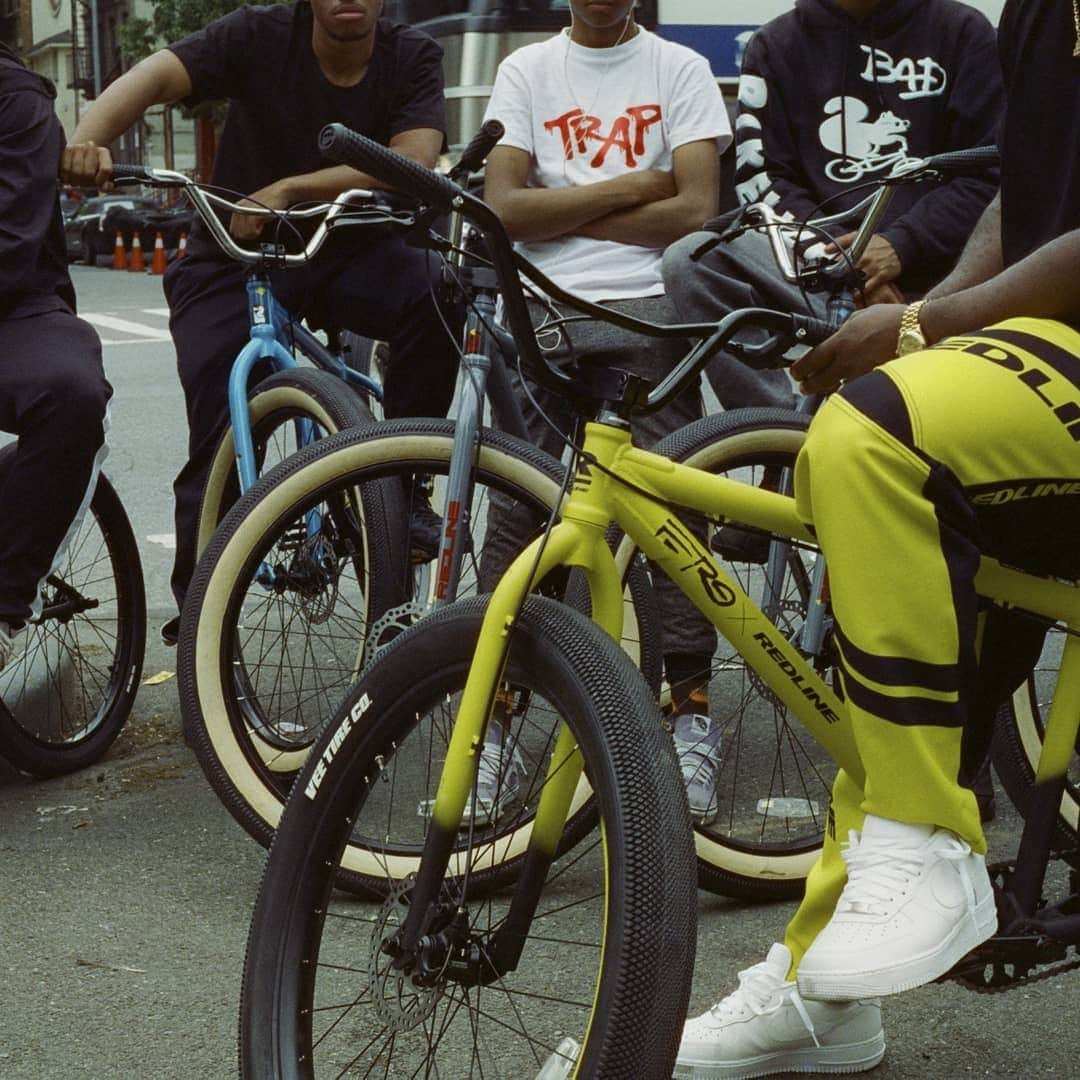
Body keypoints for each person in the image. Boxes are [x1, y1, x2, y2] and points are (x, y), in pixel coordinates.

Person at [674, 0, 1080, 1074]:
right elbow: (1023, 199)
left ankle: (927, 841)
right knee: (896, 661)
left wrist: (917, 326)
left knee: (864, 442)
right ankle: (827, 992)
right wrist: (933, 320)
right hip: (1043, 354)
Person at [60, 0, 460, 644]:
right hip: (235, 254)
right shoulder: (257, 34)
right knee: (219, 421)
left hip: (351, 248)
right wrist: (87, 137)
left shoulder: (412, 54)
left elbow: (410, 161)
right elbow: (156, 75)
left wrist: (289, 190)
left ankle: (404, 487)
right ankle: (199, 622)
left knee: (438, 293)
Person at [472, 0, 770, 822]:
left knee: (670, 501)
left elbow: (696, 213)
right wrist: (640, 183)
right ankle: (493, 722)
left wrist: (565, 205)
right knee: (527, 506)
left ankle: (692, 711)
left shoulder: (676, 69)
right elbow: (504, 206)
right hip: (547, 312)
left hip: (652, 313)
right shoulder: (527, 70)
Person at [663, 0, 1002, 415]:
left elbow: (990, 174)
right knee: (693, 261)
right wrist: (849, 261)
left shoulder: (964, 31)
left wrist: (900, 246)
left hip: (942, 276)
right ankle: (774, 433)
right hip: (819, 265)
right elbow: (763, 178)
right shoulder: (773, 45)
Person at [0, 44, 112, 671]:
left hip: (16, 307)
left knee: (70, 391)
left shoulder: (16, 99)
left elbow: (11, 243)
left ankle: (4, 601)